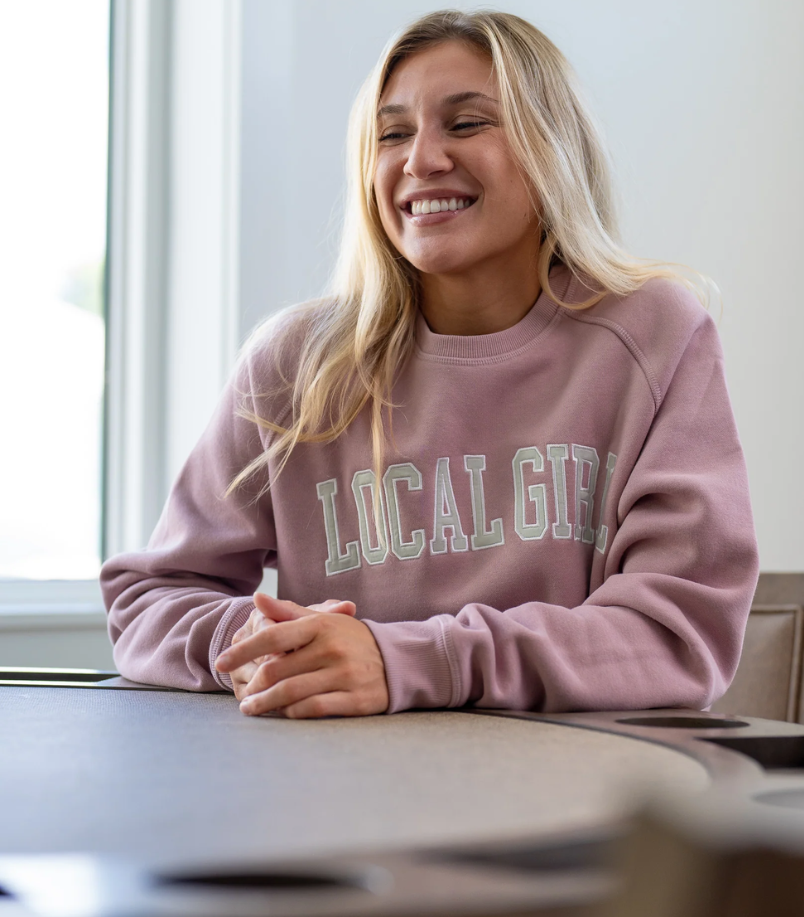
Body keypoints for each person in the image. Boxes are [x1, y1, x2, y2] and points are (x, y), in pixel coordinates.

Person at [100, 9, 759, 720]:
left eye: (466, 123)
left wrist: (409, 660)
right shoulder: (294, 365)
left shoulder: (653, 335)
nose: (420, 160)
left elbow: (675, 636)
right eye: (391, 134)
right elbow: (149, 601)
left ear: (552, 146)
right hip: (331, 780)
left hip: (574, 777)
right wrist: (256, 641)